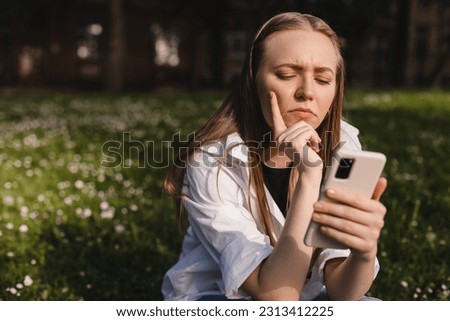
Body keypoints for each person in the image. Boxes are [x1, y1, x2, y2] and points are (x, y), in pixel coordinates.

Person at [162, 12, 388, 301]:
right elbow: (278, 299)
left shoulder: (345, 145)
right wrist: (309, 177)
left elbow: (343, 294)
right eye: (286, 75)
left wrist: (363, 253)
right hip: (219, 299)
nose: (307, 92)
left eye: (322, 79)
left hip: (306, 298)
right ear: (253, 78)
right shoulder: (212, 161)